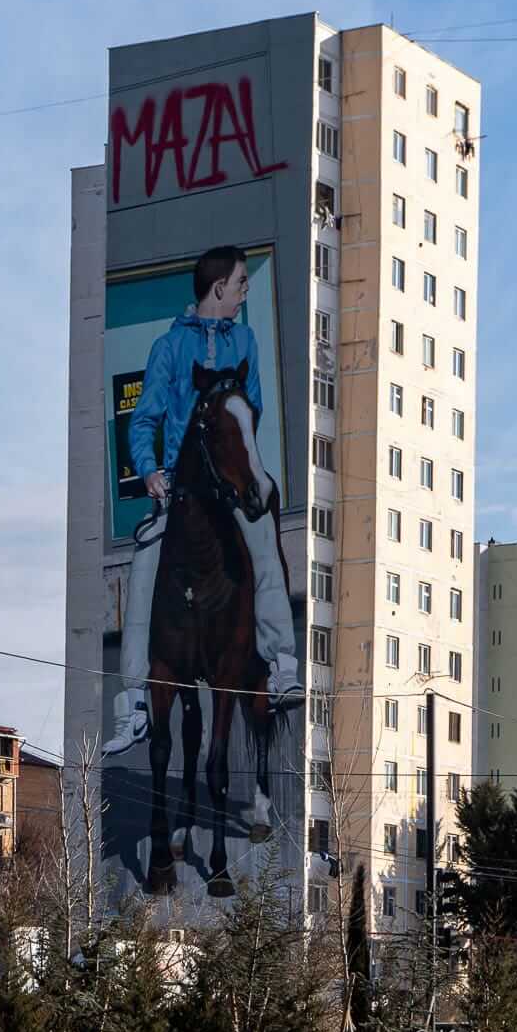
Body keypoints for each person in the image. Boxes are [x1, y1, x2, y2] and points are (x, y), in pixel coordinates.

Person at [103, 246, 303, 756]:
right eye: (240, 283)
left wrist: (247, 471)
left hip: (231, 480)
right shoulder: (169, 348)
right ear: (219, 288)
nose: (244, 291)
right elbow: (144, 418)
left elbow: (250, 411)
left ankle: (282, 667)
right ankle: (135, 705)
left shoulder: (247, 340)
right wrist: (149, 472)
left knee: (265, 549)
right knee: (143, 563)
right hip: (183, 485)